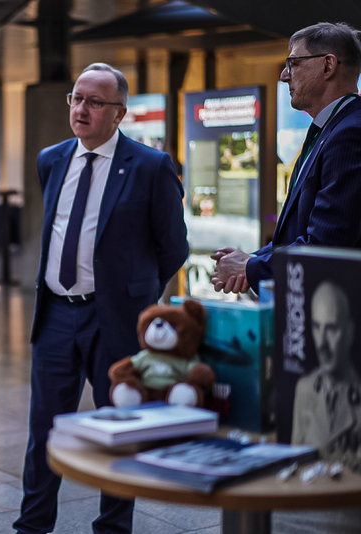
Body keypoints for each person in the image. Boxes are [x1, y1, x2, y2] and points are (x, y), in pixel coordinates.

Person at [14, 63, 189, 534]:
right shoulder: (50, 159)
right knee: (44, 430)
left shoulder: (151, 166)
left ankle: (113, 528)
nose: (81, 109)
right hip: (54, 315)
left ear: (120, 114)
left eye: (94, 102)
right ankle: (32, 525)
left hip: (114, 318)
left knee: (119, 427)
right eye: (76, 98)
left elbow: (174, 247)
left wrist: (135, 300)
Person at [212, 22, 361, 294]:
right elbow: (300, 232)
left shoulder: (350, 133)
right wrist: (252, 259)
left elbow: (326, 245)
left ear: (328, 66)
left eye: (293, 63)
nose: (283, 75)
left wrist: (249, 267)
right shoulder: (330, 128)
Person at [292, 280, 361, 472]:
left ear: (349, 331)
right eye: (316, 327)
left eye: (331, 328)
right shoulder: (304, 388)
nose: (321, 343)